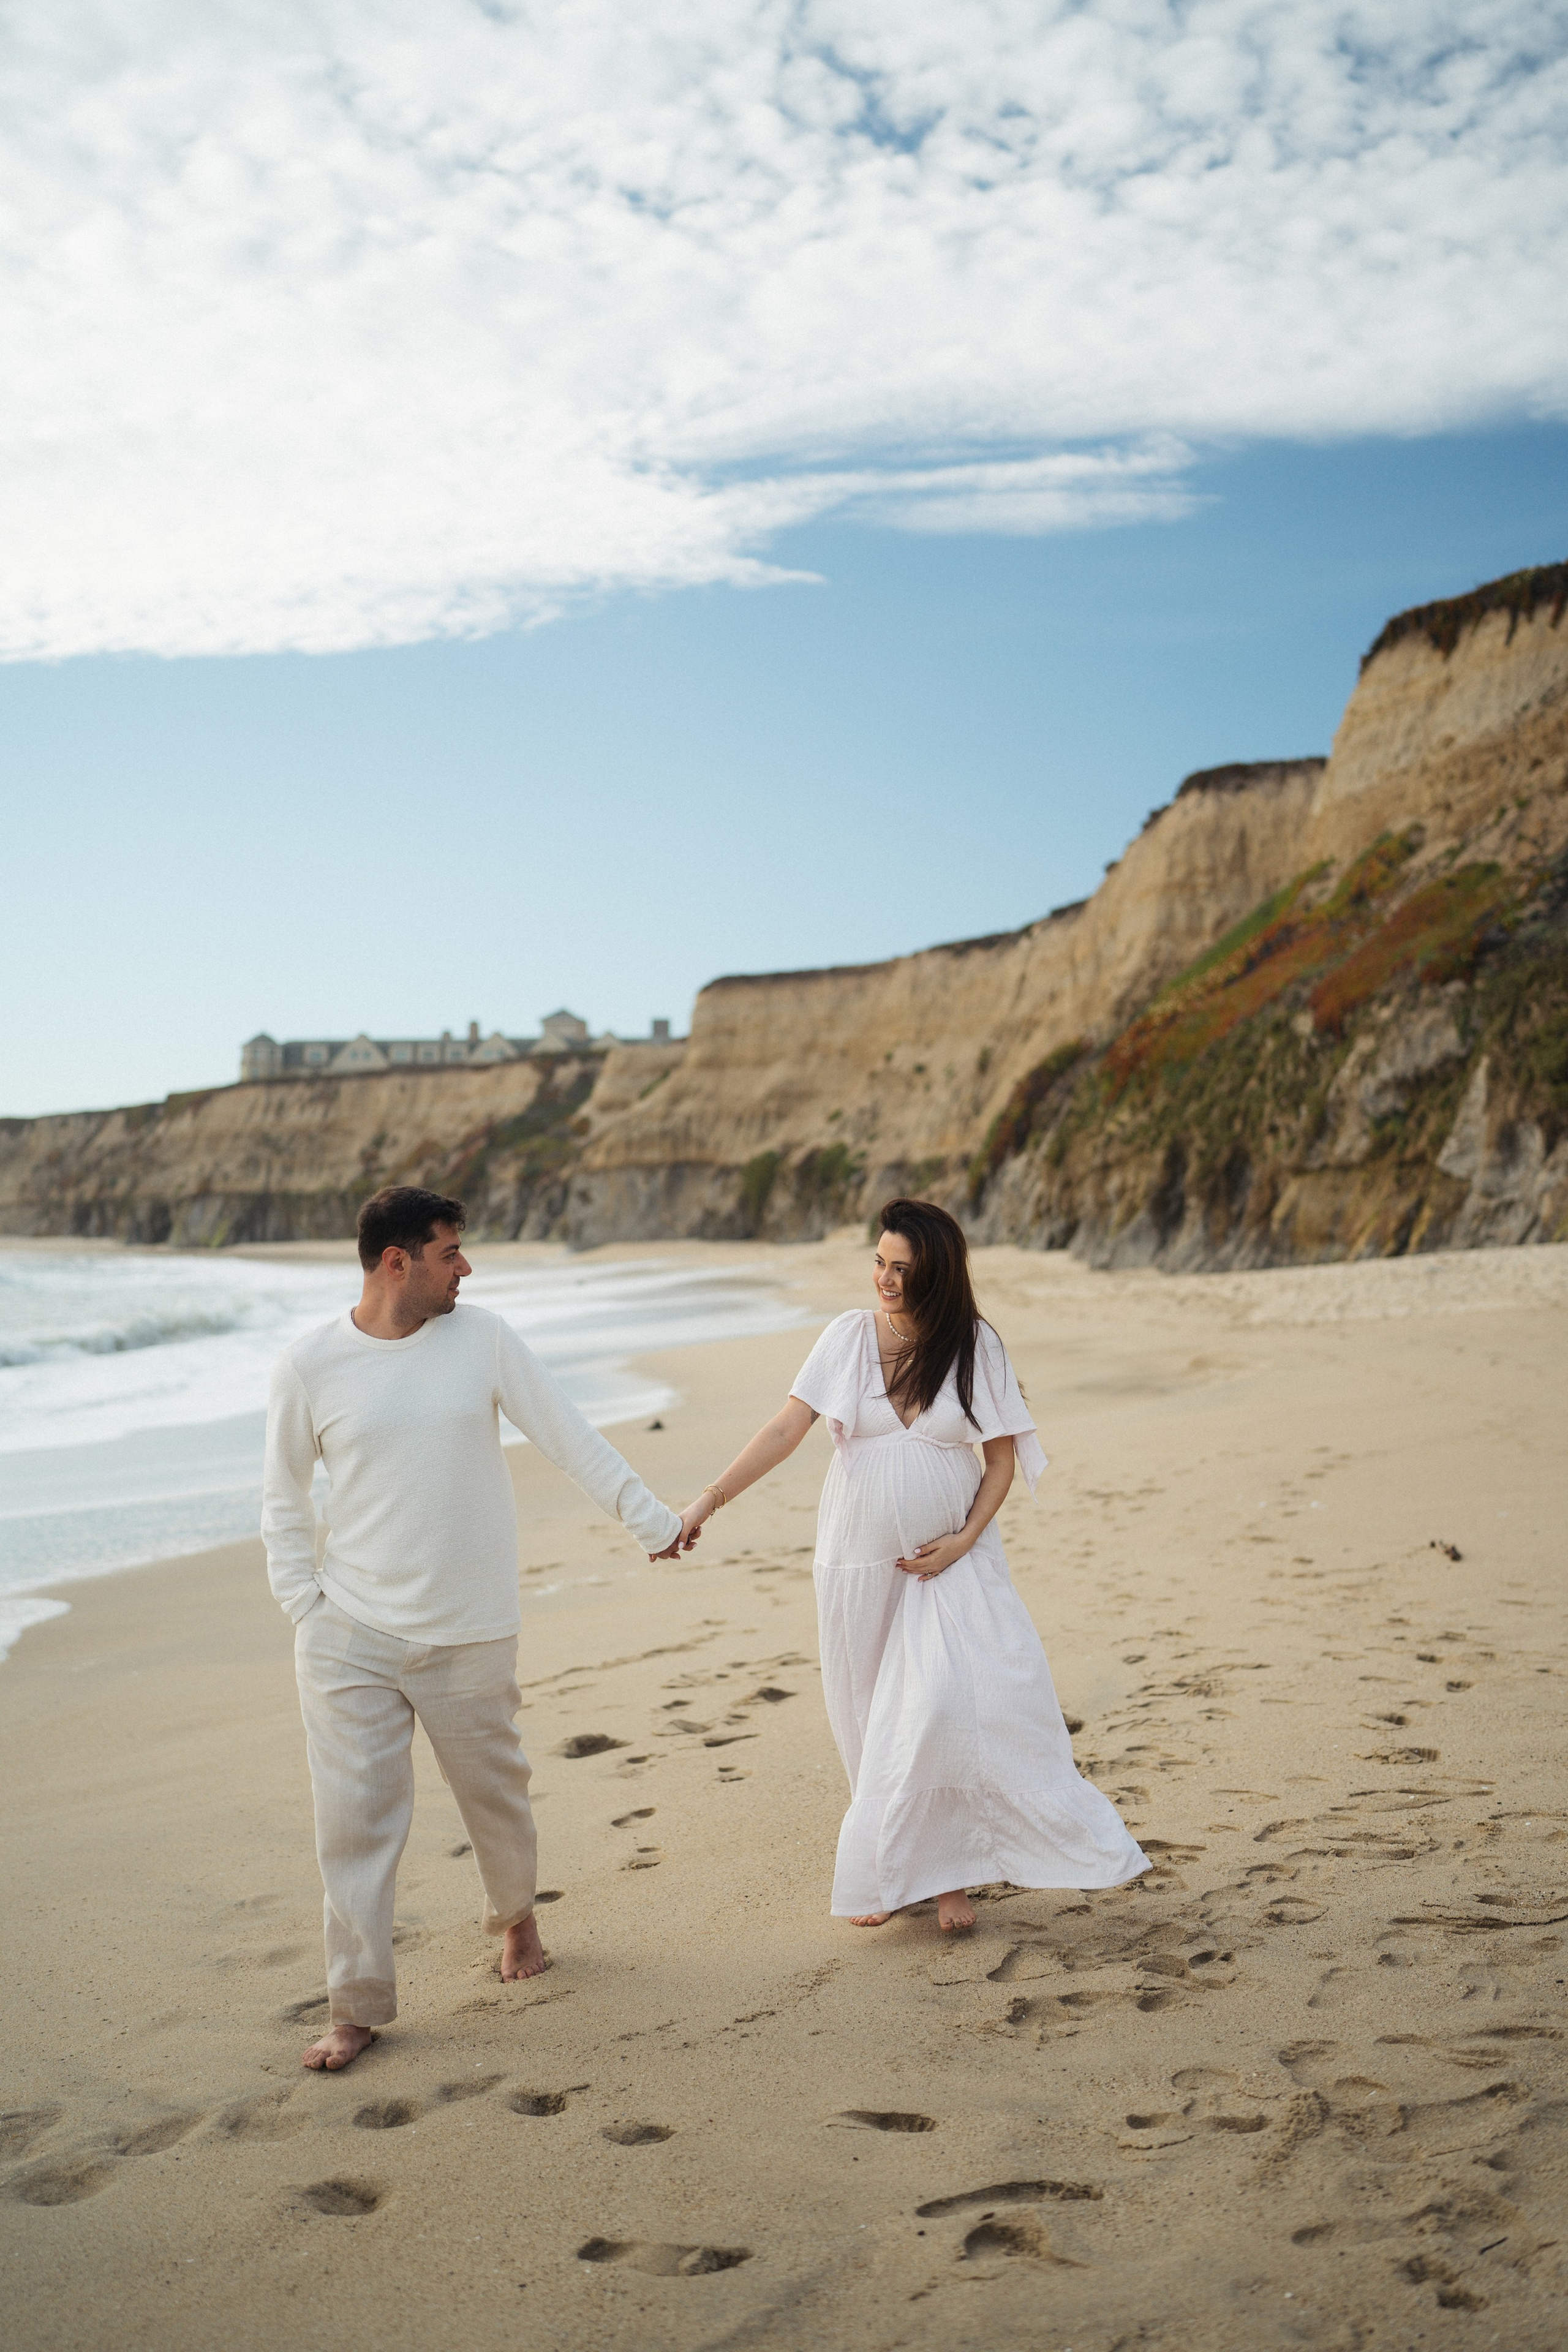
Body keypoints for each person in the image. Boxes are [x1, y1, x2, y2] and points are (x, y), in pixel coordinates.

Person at [262, 1185, 686, 2071]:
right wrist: (306, 1605)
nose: (467, 1267)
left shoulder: (485, 1340)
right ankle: (356, 2006)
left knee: (496, 1796)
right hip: (350, 1633)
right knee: (353, 1823)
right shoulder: (308, 1366)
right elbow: (284, 1498)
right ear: (397, 1262)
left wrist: (652, 1521)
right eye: (451, 1252)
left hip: (471, 1627)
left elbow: (569, 1437)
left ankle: (517, 1920)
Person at [672, 1198, 1148, 1931]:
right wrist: (705, 1502)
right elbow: (785, 1426)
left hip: (952, 1562)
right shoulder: (845, 1337)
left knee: (944, 1707)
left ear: (937, 1276)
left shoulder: (974, 1346)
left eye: (902, 1270)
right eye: (879, 1263)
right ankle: (900, 1872)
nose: (885, 1281)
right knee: (868, 1716)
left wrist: (962, 1541)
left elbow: (1000, 1460)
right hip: (856, 1561)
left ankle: (951, 1877)